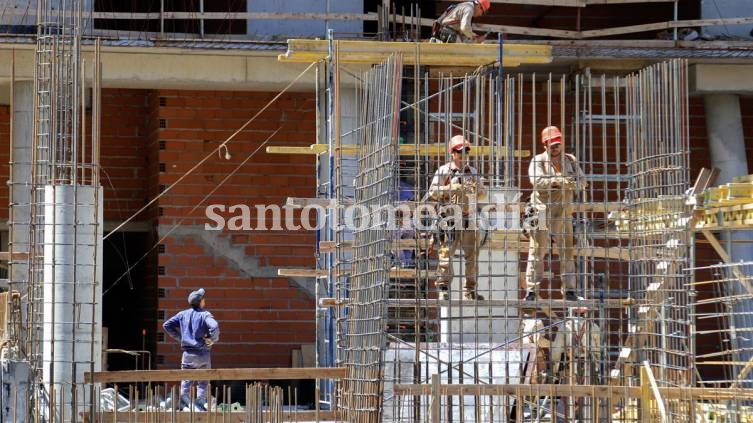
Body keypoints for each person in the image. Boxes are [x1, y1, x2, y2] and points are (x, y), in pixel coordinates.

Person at [524, 126, 587, 302]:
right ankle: (531, 291)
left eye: (558, 143)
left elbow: (583, 182)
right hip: (542, 211)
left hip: (564, 213)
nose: (556, 147)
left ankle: (569, 291)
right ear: (545, 145)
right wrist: (557, 181)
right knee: (537, 252)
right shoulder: (538, 161)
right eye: (552, 144)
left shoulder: (570, 160)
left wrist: (572, 182)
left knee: (567, 252)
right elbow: (535, 181)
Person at [428, 135, 487, 300]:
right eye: (460, 151)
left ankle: (470, 290)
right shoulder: (443, 171)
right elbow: (432, 193)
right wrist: (450, 188)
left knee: (472, 257)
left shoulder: (472, 172)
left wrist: (476, 189)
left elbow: (483, 194)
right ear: (452, 153)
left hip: (468, 219)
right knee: (446, 255)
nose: (463, 154)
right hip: (449, 219)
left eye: (466, 151)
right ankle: (443, 288)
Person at [163, 288, 220, 411]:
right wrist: (212, 339)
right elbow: (214, 326)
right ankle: (199, 405)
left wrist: (180, 337)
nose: (205, 300)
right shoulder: (205, 314)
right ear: (200, 302)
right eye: (203, 298)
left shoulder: (182, 314)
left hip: (188, 354)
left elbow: (166, 325)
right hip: (203, 354)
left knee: (186, 380)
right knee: (203, 382)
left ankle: (185, 406)